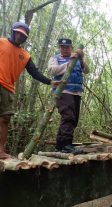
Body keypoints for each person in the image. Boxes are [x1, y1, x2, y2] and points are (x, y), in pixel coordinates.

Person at [0, 22, 59, 159]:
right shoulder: (1, 42)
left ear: (26, 38)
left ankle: (1, 151)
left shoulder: (25, 55)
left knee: (4, 119)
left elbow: (34, 73)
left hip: (8, 88)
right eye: (17, 33)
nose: (19, 36)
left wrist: (50, 81)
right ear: (12, 31)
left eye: (23, 35)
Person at [48, 38, 89, 154]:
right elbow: (52, 71)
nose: (65, 49)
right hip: (63, 92)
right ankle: (66, 144)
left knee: (73, 119)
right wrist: (68, 63)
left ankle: (60, 145)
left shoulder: (77, 58)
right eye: (62, 47)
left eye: (67, 47)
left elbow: (86, 70)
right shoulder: (55, 58)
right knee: (68, 116)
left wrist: (80, 58)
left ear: (71, 47)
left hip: (76, 92)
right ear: (59, 48)